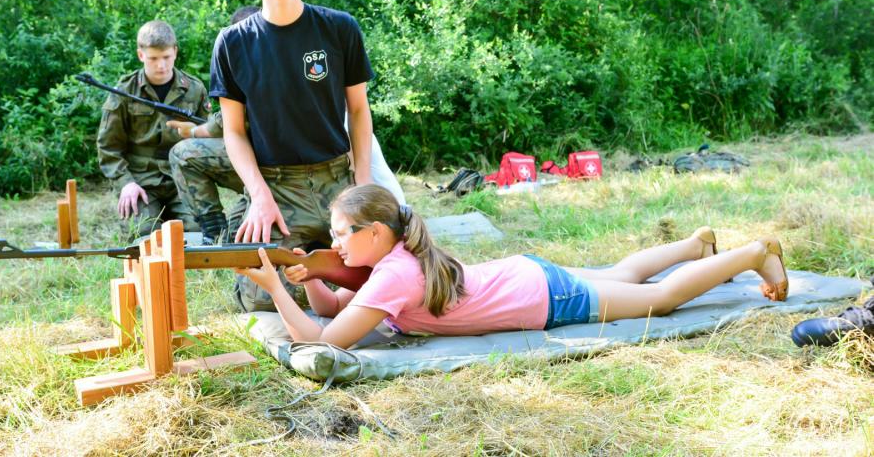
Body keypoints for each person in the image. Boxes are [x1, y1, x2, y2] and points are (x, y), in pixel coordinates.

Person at [236, 184, 791, 349]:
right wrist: (312, 278)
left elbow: (326, 340)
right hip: (527, 276)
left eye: (340, 234)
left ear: (375, 234)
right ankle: (694, 246)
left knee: (659, 301)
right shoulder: (396, 261)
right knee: (622, 277)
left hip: (542, 297)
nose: (334, 243)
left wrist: (275, 290)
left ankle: (752, 254)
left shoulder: (394, 275)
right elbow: (335, 310)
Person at [210, 0, 378, 312]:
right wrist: (259, 196)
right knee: (263, 300)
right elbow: (233, 131)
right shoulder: (232, 43)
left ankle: (327, 261)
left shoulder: (339, 28)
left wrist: (362, 184)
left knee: (387, 278)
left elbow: (358, 111)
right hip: (277, 185)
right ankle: (314, 263)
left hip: (337, 179)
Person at [169, 6, 406, 244]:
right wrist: (258, 196)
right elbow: (230, 126)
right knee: (236, 238)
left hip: (346, 185)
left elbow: (221, 125)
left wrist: (193, 130)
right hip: (275, 177)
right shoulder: (236, 47)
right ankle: (216, 234)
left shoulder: (328, 39)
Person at [97, 20, 209, 238]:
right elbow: (108, 147)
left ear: (175, 51)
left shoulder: (194, 89)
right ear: (141, 55)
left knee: (200, 233)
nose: (161, 66)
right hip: (141, 180)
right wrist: (125, 183)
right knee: (144, 234)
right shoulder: (125, 91)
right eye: (153, 58)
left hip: (183, 179)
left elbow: (207, 140)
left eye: (166, 57)